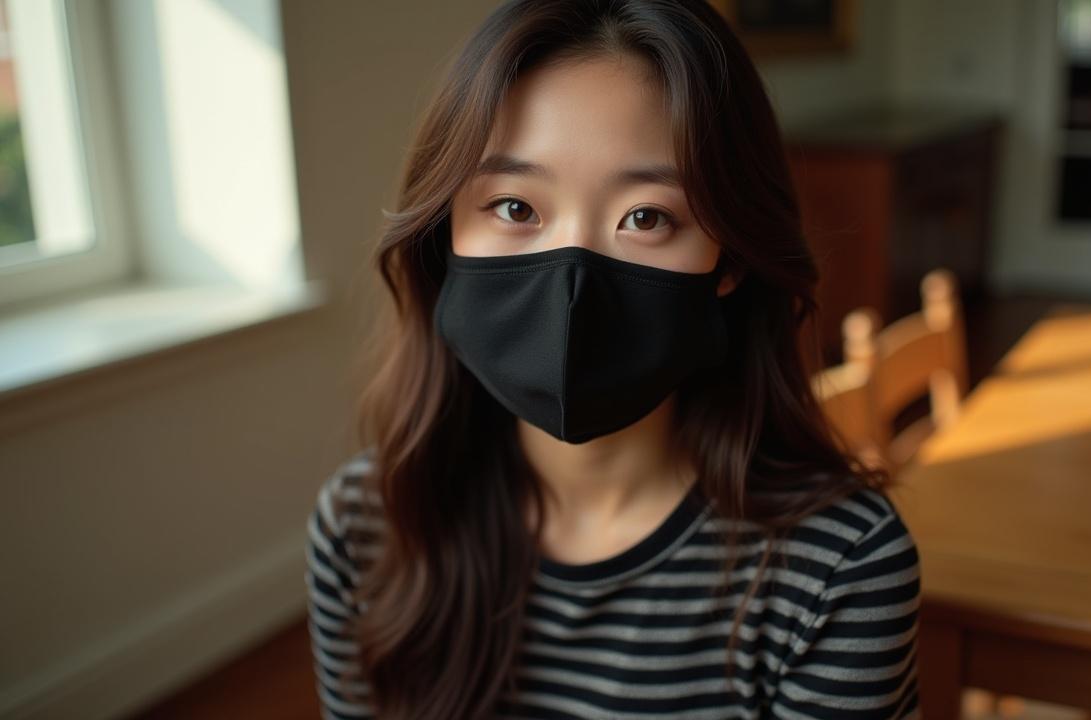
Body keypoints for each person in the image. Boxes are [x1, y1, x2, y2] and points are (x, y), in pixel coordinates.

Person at [304, 1, 922, 718]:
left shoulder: (837, 570)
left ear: (731, 262)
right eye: (513, 207)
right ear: (444, 235)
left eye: (647, 217)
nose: (571, 282)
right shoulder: (367, 524)